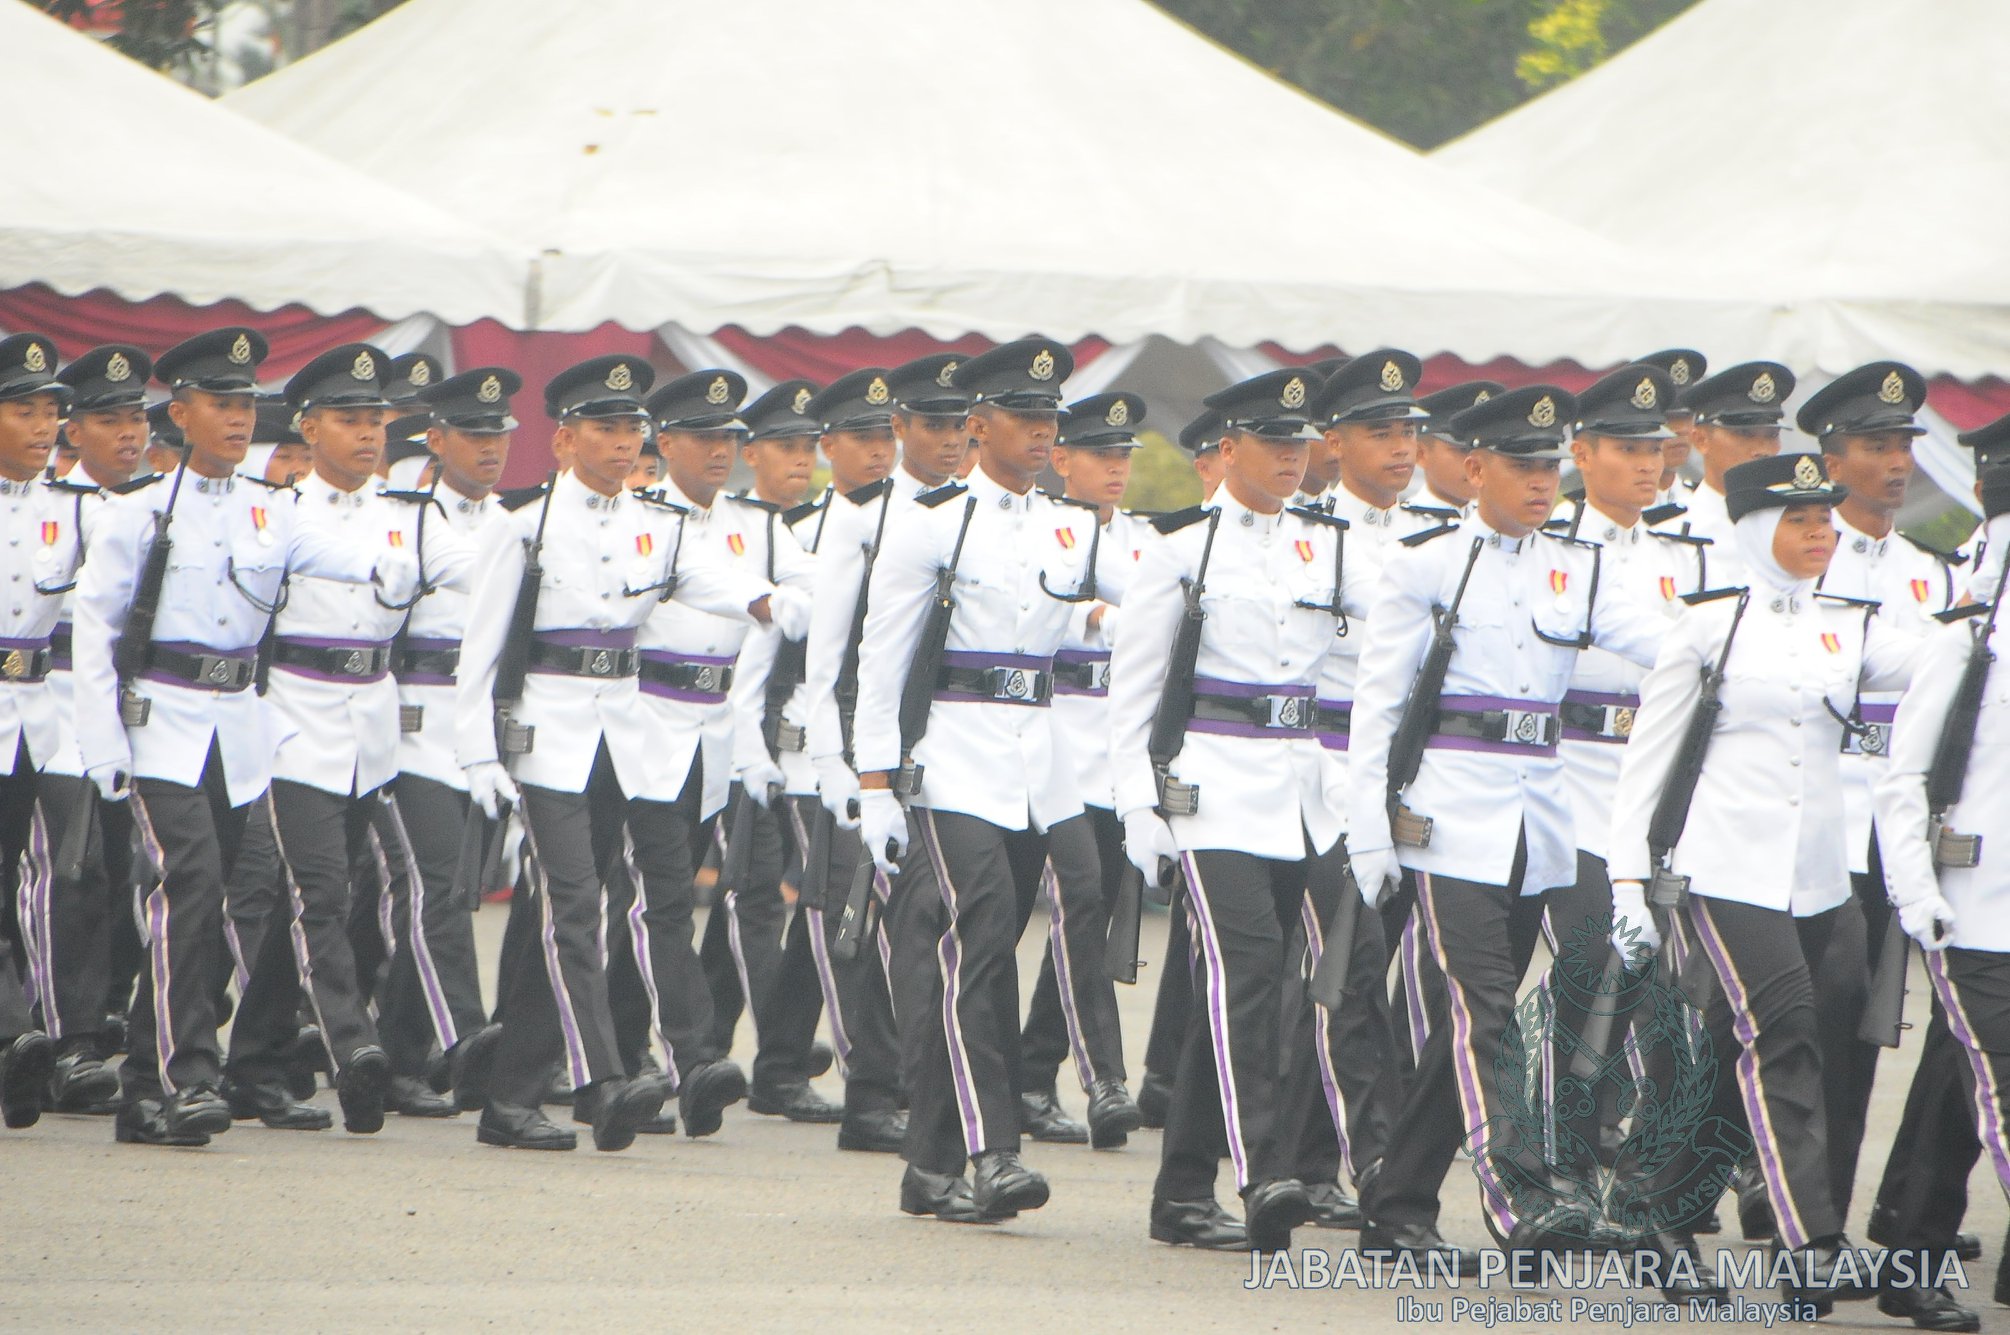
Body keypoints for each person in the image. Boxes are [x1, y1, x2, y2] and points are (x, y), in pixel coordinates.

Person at [73, 327, 421, 1147]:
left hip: (237, 731)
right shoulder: (139, 510)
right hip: (160, 723)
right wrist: (101, 749)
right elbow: (94, 630)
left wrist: (401, 564)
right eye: (221, 404)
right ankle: (187, 1075)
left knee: (225, 893)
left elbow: (349, 556)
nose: (237, 418)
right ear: (180, 411)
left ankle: (141, 1088)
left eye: (245, 404)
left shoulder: (271, 508)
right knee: (188, 886)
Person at [1346, 384, 1669, 1266]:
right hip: (1445, 814)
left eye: (1548, 465)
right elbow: (1378, 707)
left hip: (1536, 821)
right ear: (1477, 466)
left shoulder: (1579, 565)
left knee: (1475, 1019)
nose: (1540, 481)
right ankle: (1523, 1194)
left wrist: (1736, 638)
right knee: (1483, 1006)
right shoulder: (1425, 563)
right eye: (1522, 465)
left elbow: (1661, 639)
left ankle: (1397, 1208)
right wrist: (1367, 829)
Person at [1610, 451, 1914, 1313]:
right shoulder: (1708, 626)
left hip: (1819, 874)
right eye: (1800, 519)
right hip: (1725, 865)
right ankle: (1809, 1238)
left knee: (1737, 1048)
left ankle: (1660, 1208)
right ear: (1753, 528)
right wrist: (1629, 879)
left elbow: (1939, 663)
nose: (1821, 532)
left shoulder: (1848, 624)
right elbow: (1650, 760)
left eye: (1826, 518)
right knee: (1781, 1033)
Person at [451, 355, 778, 1153]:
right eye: (605, 426)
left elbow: (714, 579)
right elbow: (482, 649)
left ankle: (510, 1096)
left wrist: (776, 603)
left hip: (620, 740)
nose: (623, 440)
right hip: (546, 737)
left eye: (632, 426)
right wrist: (477, 754)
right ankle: (602, 1077)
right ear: (564, 439)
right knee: (572, 908)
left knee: (569, 914)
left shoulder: (655, 524)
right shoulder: (521, 523)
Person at [851, 337, 1115, 1222]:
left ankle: (929, 1167)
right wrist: (874, 785)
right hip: (951, 759)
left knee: (1006, 945)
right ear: (978, 423)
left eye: (1050, 419)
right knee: (983, 929)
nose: (1042, 433)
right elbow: (880, 662)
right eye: (1024, 416)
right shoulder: (929, 520)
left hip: (1038, 763)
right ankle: (991, 1150)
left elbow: (1106, 609)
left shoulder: (1071, 523)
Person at [1109, 368, 1369, 1252]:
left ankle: (1182, 1193)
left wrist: (1344, 790)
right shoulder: (1180, 548)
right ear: (1227, 450)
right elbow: (1135, 693)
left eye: (1301, 443)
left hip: (1299, 792)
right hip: (1209, 789)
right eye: (1274, 443)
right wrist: (1139, 807)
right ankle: (1268, 1172)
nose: (1293, 458)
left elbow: (1344, 683)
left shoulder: (1328, 547)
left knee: (1258, 985)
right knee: (1248, 972)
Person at [221, 343, 475, 1136]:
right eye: (349, 419)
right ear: (308, 425)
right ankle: (352, 1045)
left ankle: (253, 1064)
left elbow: (477, 567)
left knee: (344, 894)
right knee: (321, 889)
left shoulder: (409, 515)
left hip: (371, 717)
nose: (368, 434)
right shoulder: (276, 510)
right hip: (294, 714)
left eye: (376, 419)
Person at [1537, 364, 1716, 1289]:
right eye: (1628, 448)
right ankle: (1561, 1168)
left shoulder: (1684, 549)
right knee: (1583, 975)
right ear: (1583, 453)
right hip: (1569, 776)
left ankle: (1623, 1178)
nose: (1650, 464)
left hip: (1650, 789)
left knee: (1653, 988)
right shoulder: (1554, 540)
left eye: (1657, 448)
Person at [603, 368, 811, 1138]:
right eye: (705, 437)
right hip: (643, 719)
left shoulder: (755, 524)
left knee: (657, 900)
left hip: (711, 730)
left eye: (730, 437)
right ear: (667, 443)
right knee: (652, 899)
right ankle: (679, 1056)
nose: (721, 450)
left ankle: (631, 1055)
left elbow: (813, 586)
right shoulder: (641, 516)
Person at [1797, 361, 1958, 1229]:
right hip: (1821, 818)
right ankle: (1800, 1208)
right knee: (1817, 1028)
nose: (1895, 463)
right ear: (1829, 456)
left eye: (1903, 445)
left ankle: (1860, 1213)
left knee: (1873, 1032)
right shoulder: (1805, 557)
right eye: (1874, 445)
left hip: (1900, 828)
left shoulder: (1934, 572)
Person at [796, 359, 956, 1154]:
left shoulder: (965, 518)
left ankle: (918, 1084)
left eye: (965, 424)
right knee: (864, 925)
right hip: (864, 745)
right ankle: (870, 1094)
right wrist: (836, 765)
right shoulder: (859, 521)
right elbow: (826, 663)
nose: (955, 440)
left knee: (926, 927)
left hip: (937, 745)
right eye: (937, 424)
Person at [1870, 461, 2010, 1334]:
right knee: (1998, 1085)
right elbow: (1905, 777)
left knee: (1957, 1099)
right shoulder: (1968, 643)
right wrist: (1917, 891)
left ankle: (1912, 1260)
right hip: (1976, 904)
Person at [367, 366, 523, 1117]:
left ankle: (396, 1056)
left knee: (448, 893)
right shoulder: (406, 513)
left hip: (480, 731)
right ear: (437, 439)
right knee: (434, 888)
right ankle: (468, 1038)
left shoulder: (512, 518)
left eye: (499, 434)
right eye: (475, 434)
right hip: (414, 725)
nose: (490, 447)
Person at [1020, 390, 1150, 1150]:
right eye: (1101, 454)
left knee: (1088, 910)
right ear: (1062, 458)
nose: (1115, 468)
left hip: (1109, 748)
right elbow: (1044, 606)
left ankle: (1037, 1073)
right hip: (1045, 735)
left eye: (1123, 455)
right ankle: (1093, 1076)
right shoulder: (1035, 528)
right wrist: (1099, 615)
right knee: (1012, 913)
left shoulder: (1143, 539)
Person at [33, 345, 152, 1114]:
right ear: (72, 430)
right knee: (73, 874)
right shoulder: (44, 502)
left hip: (137, 708)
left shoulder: (155, 502)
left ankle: (107, 1013)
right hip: (57, 703)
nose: (130, 434)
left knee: (132, 870)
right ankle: (66, 1038)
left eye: (137, 416)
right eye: (109, 419)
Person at [0, 333, 77, 1129]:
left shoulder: (67, 510)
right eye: (23, 408)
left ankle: (22, 1041)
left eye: (51, 409)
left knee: (18, 883)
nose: (42, 424)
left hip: (32, 719)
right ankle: (16, 1031)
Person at [1663, 359, 1786, 568]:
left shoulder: (1795, 528)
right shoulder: (1671, 535)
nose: (1762, 450)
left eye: (1771, 435)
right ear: (1701, 440)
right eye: (1744, 434)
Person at [1413, 381, 1504, 516]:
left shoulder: (1506, 526)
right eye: (1464, 450)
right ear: (1420, 454)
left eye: (1488, 451)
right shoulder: (1396, 527)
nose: (1478, 464)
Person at [1633, 349, 1707, 511]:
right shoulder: (1587, 517)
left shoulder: (1701, 506)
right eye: (1668, 419)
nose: (1681, 429)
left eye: (1687, 417)